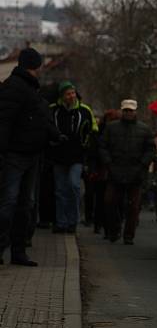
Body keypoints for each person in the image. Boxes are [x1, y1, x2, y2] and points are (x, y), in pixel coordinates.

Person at [0, 48, 61, 266]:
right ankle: (8, 249)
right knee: (10, 203)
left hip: (31, 155)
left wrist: (55, 135)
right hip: (15, 155)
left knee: (23, 205)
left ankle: (18, 251)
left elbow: (39, 120)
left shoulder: (29, 89)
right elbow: (4, 122)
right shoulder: (15, 88)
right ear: (33, 66)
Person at [99, 99, 154, 244]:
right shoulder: (111, 128)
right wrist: (109, 163)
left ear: (135, 111)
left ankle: (128, 235)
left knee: (133, 206)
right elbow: (102, 146)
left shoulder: (144, 129)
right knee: (110, 202)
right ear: (122, 111)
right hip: (115, 171)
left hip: (135, 173)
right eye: (126, 110)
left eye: (131, 110)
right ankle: (113, 230)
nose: (128, 113)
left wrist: (142, 165)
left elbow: (150, 150)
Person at [49, 81, 97, 234]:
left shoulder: (84, 110)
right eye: (68, 94)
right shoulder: (53, 110)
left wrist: (87, 147)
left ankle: (73, 221)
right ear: (62, 96)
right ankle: (61, 222)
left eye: (73, 93)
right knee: (60, 190)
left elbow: (93, 130)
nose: (71, 96)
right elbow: (46, 127)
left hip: (77, 156)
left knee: (74, 186)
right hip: (58, 156)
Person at [85, 109, 120, 236]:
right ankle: (100, 224)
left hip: (109, 169)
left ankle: (105, 225)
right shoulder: (99, 133)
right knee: (102, 199)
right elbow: (93, 152)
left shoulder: (104, 133)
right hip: (102, 169)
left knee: (106, 199)